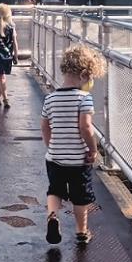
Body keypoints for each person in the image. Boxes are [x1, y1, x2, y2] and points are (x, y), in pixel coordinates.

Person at [40, 45, 107, 246]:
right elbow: (86, 127)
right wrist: (93, 149)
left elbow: (45, 126)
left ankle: (52, 216)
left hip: (55, 158)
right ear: (85, 75)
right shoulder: (84, 98)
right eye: (91, 78)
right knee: (81, 198)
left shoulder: (50, 98)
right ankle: (81, 231)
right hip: (78, 160)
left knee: (54, 191)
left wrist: (51, 146)